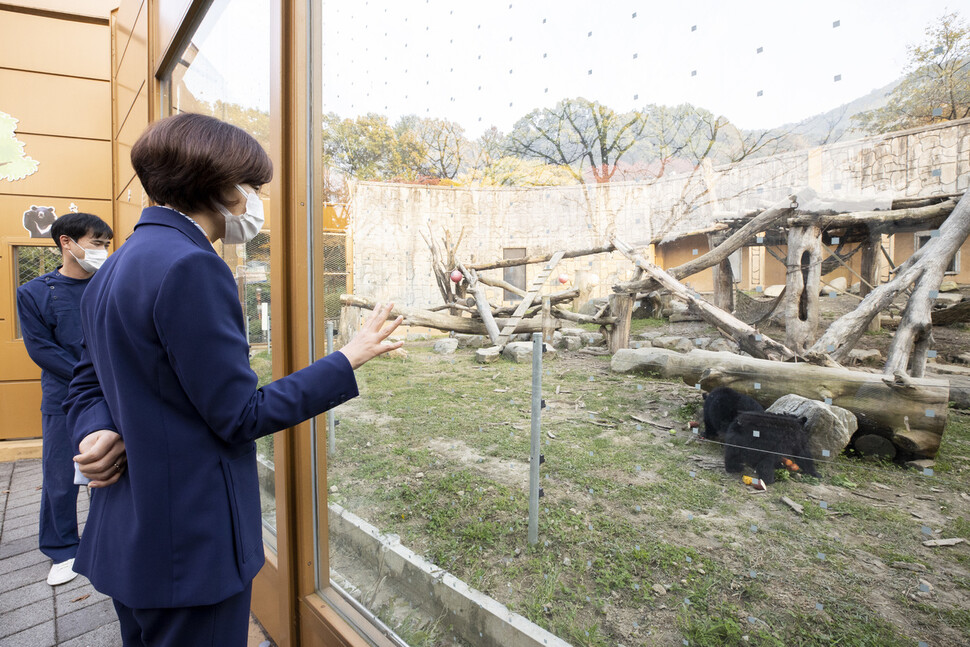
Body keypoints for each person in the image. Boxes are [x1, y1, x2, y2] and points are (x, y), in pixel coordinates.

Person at [65, 112, 403, 646]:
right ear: (219, 186)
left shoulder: (119, 263)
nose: (252, 199)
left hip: (130, 540)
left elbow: (87, 382)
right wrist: (348, 358)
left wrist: (93, 429)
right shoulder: (191, 266)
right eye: (249, 185)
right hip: (189, 548)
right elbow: (239, 414)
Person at [16, 212, 113, 586]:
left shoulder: (109, 282)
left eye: (106, 243)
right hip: (64, 396)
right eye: (97, 243)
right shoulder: (35, 292)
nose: (103, 250)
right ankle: (62, 549)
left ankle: (104, 540)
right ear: (67, 243)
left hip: (110, 393)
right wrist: (91, 376)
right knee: (59, 474)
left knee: (105, 469)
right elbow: (41, 350)